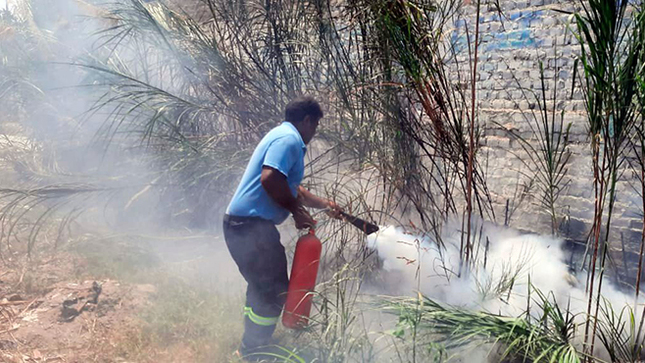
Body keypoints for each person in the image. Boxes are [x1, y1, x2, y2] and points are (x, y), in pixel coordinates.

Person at [223, 96, 341, 360]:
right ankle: (255, 352)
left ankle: (250, 346)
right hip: (250, 227)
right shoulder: (289, 140)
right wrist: (296, 211)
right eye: (316, 125)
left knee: (261, 287)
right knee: (273, 290)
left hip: (244, 226)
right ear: (307, 120)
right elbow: (270, 178)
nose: (315, 132)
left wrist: (324, 204)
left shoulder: (281, 135)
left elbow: (289, 187)